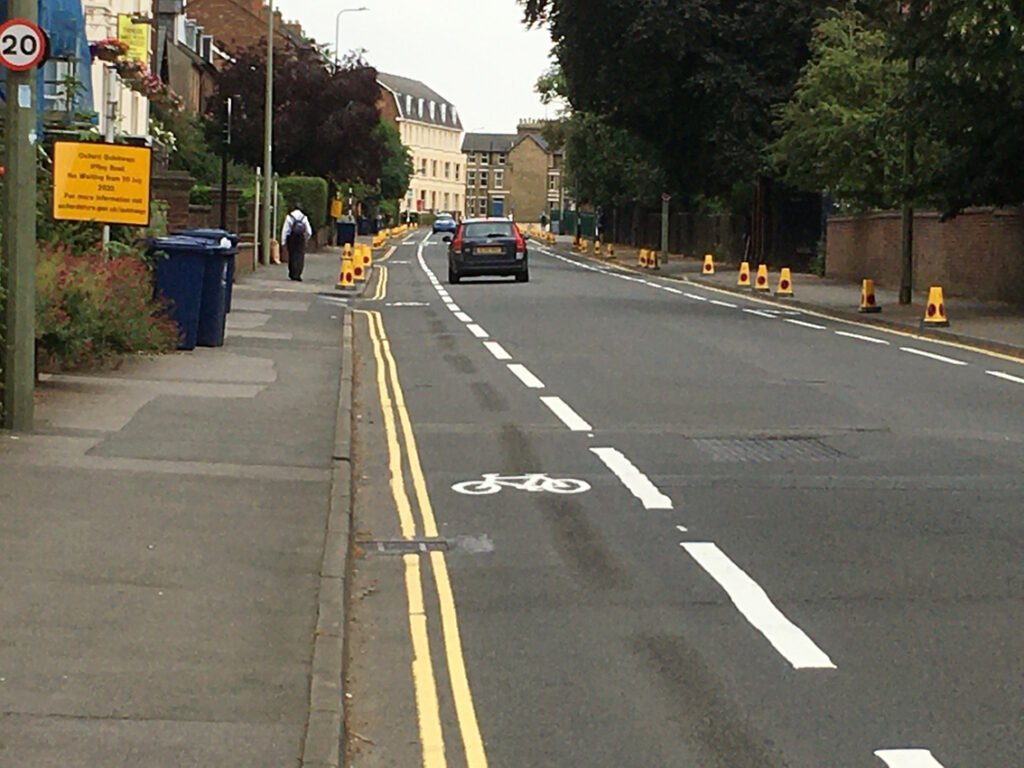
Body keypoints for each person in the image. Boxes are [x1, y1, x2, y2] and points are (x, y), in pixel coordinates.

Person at [281, 203, 312, 281]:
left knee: (292, 254)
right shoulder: (304, 217)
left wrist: (283, 241)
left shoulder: (289, 217)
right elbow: (309, 231)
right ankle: (298, 273)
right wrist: (306, 238)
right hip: (300, 238)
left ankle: (292, 273)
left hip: (291, 237)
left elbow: (285, 230)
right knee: (300, 255)